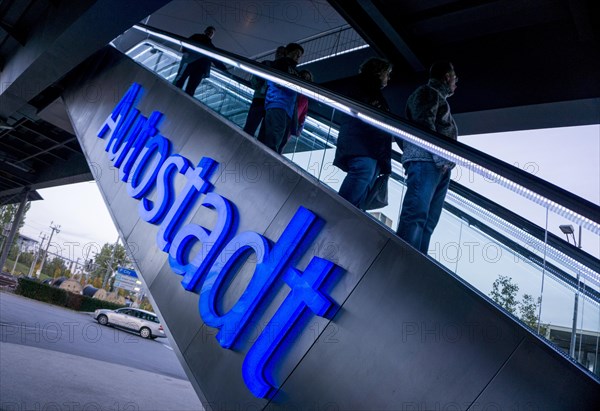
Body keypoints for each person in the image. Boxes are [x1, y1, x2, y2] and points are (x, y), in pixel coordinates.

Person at [396, 61, 459, 254]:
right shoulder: (426, 93)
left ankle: (416, 263)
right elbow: (423, 125)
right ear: (447, 76)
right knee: (416, 214)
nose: (456, 83)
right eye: (455, 78)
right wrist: (440, 158)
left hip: (437, 164)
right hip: (427, 162)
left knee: (428, 220)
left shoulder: (437, 97)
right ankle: (401, 260)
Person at [333, 57, 393, 210]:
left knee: (366, 178)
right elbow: (358, 110)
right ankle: (337, 212)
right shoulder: (362, 85)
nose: (388, 78)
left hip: (370, 146)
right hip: (362, 143)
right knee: (363, 171)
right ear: (379, 72)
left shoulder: (373, 91)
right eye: (387, 73)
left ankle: (348, 215)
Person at [257, 42, 304, 153]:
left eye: (299, 55)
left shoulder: (296, 71)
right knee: (272, 142)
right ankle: (264, 165)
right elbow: (277, 81)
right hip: (277, 104)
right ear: (288, 52)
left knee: (277, 142)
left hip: (288, 109)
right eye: (296, 53)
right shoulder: (280, 63)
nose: (297, 57)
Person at [243, 46, 286, 137]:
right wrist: (261, 88)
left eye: (282, 53)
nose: (279, 54)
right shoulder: (267, 63)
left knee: (264, 133)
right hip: (261, 99)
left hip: (272, 103)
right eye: (278, 52)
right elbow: (254, 79)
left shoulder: (284, 70)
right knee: (250, 127)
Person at [173, 26, 228, 97]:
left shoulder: (199, 39)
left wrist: (185, 52)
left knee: (183, 83)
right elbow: (215, 59)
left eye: (212, 33)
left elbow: (215, 60)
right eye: (209, 31)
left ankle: (174, 96)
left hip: (193, 64)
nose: (210, 33)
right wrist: (224, 69)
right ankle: (176, 97)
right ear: (205, 31)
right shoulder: (209, 45)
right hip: (197, 66)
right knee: (186, 86)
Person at [279, 69, 313, 154]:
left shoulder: (305, 98)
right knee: (276, 139)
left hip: (291, 124)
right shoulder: (290, 89)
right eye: (303, 76)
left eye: (307, 78)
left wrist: (300, 129)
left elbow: (303, 116)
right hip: (282, 118)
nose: (304, 79)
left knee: (282, 144)